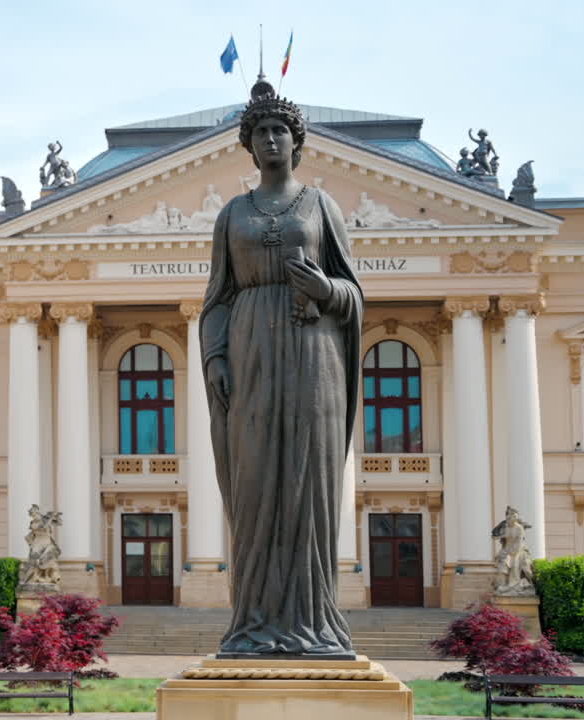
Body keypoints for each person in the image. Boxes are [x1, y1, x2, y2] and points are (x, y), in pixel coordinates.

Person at [199, 78, 363, 657]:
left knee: (307, 487)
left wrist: (328, 290)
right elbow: (217, 297)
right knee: (254, 485)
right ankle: (254, 621)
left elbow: (354, 293)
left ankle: (313, 621)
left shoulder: (322, 207)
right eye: (261, 132)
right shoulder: (232, 215)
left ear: (296, 142)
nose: (271, 139)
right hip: (249, 357)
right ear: (249, 146)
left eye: (280, 131)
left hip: (313, 356)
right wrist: (216, 356)